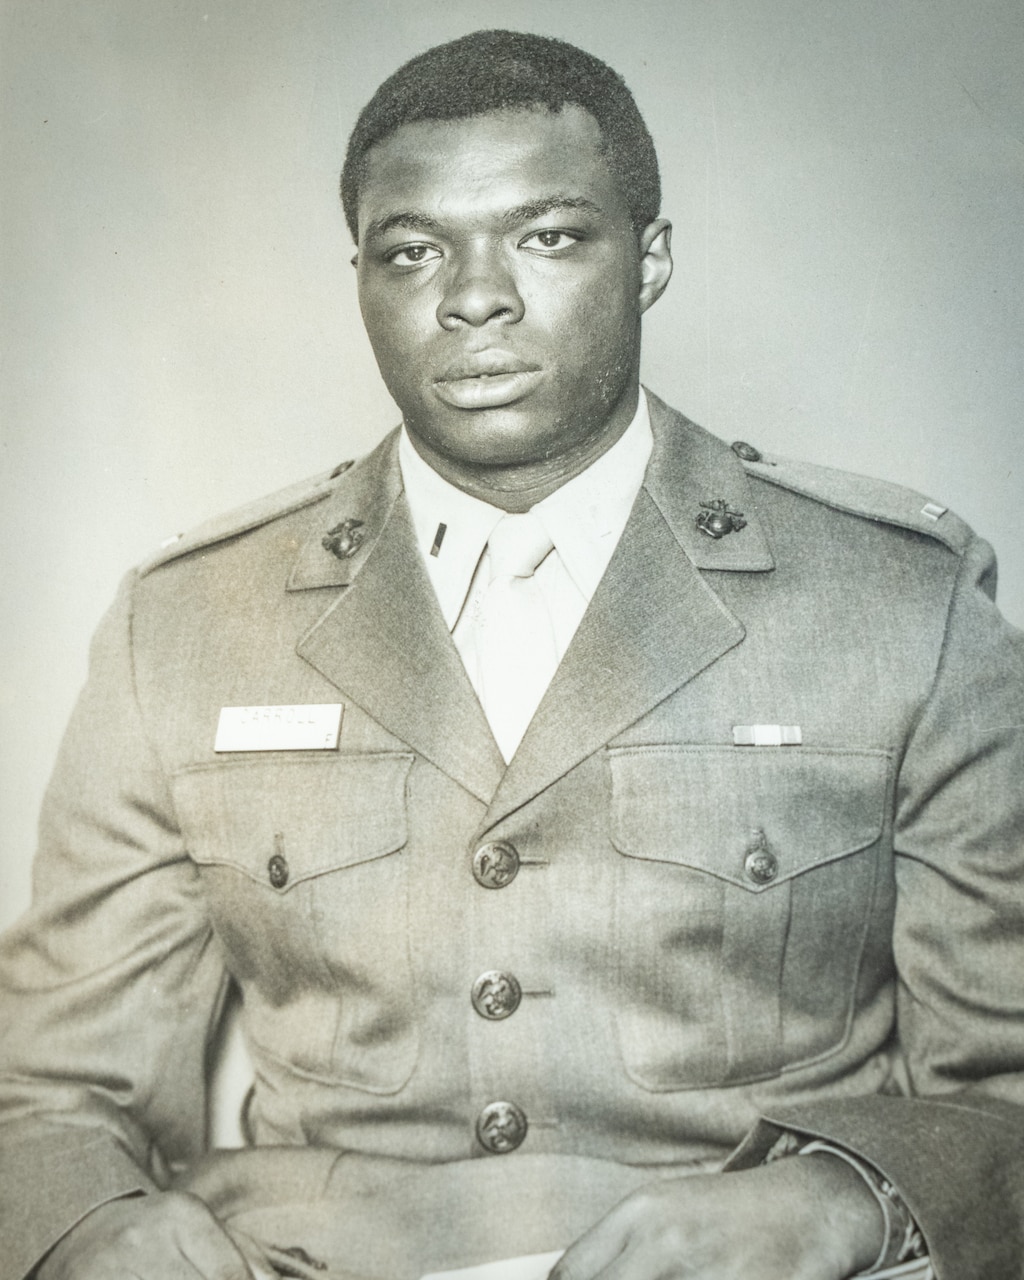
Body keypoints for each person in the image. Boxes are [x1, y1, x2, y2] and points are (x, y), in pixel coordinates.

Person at [1, 27, 1022, 1280]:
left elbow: (1006, 1091)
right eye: (414, 249)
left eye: (545, 236)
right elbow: (51, 1091)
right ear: (363, 277)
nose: (471, 296)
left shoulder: (896, 602)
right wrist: (92, 1222)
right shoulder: (189, 622)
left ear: (648, 260)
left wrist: (846, 1203)